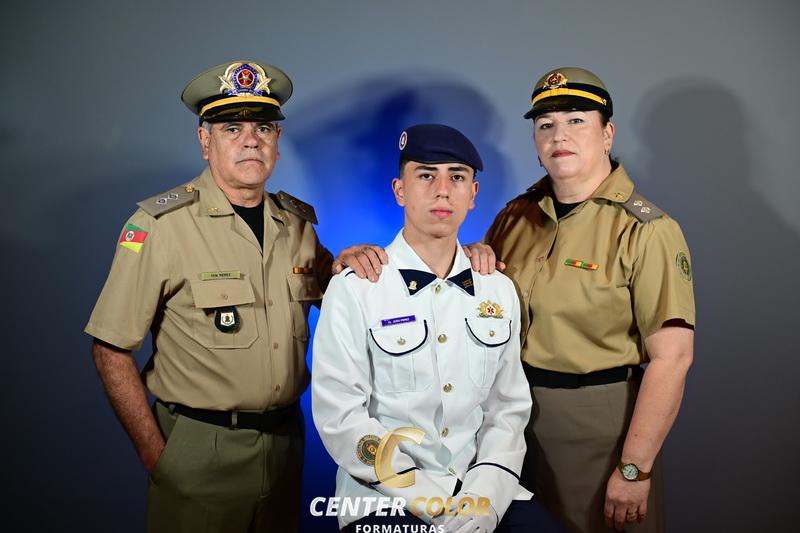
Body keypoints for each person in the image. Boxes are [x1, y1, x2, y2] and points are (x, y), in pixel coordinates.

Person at [85, 59, 378, 533]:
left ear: (277, 141)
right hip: (200, 448)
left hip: (285, 444)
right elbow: (110, 348)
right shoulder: (160, 226)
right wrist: (156, 453)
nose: (251, 140)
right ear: (205, 141)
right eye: (231, 129)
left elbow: (343, 298)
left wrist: (367, 263)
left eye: (264, 127)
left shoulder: (297, 225)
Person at [312, 124, 564, 533]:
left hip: (482, 488)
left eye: (457, 177)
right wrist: (437, 503)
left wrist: (485, 499)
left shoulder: (497, 289)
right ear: (400, 190)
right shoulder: (356, 288)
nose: (443, 190)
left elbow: (507, 409)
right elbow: (341, 417)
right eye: (426, 175)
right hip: (385, 495)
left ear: (473, 194)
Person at [483, 67, 696, 532]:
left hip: (599, 429)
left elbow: (673, 358)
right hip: (506, 425)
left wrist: (634, 468)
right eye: (546, 125)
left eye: (576, 120)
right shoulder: (513, 218)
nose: (559, 135)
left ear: (607, 135)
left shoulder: (647, 230)